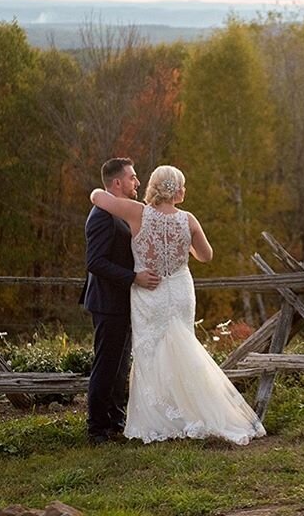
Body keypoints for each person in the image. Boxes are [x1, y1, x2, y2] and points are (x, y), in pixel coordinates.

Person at [90, 164, 266, 445]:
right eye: (183, 185)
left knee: (151, 351)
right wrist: (186, 248)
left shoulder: (138, 212)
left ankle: (158, 416)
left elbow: (98, 198)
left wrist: (99, 189)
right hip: (180, 288)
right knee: (184, 347)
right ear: (177, 190)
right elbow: (206, 256)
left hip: (151, 290)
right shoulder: (189, 220)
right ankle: (194, 411)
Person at [80, 158, 161, 445]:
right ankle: (97, 429)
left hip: (124, 303)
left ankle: (115, 420)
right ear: (117, 183)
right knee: (106, 365)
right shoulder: (101, 216)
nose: (137, 182)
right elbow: (96, 262)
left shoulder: (119, 212)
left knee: (119, 366)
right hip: (107, 302)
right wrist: (133, 278)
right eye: (132, 177)